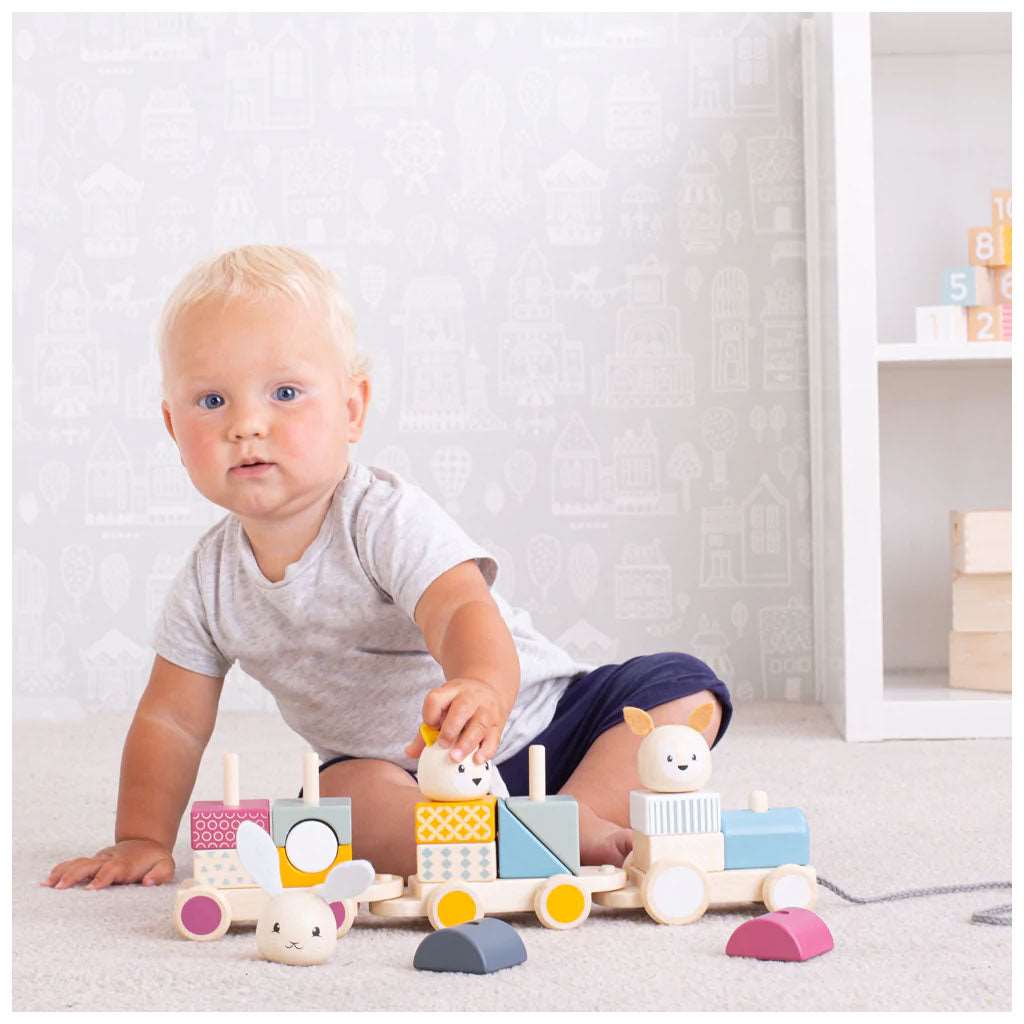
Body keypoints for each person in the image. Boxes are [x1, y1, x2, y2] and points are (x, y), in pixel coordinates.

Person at [43, 245, 732, 889]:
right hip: (405, 775)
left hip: (546, 729)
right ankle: (497, 840)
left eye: (285, 393)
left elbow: (459, 606)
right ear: (173, 427)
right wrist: (140, 836)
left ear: (352, 409)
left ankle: (576, 816)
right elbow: (171, 720)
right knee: (336, 802)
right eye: (212, 401)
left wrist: (481, 685)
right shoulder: (208, 581)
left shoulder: (380, 516)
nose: (246, 424)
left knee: (679, 689)